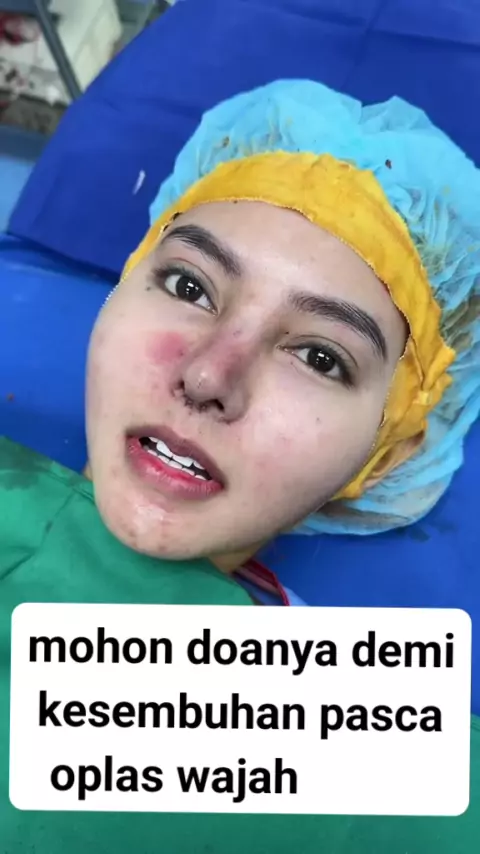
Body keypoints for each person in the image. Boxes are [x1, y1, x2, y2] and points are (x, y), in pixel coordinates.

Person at [0, 79, 479, 851]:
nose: (207, 376)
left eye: (320, 357)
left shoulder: (380, 779)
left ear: (391, 451)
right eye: (188, 285)